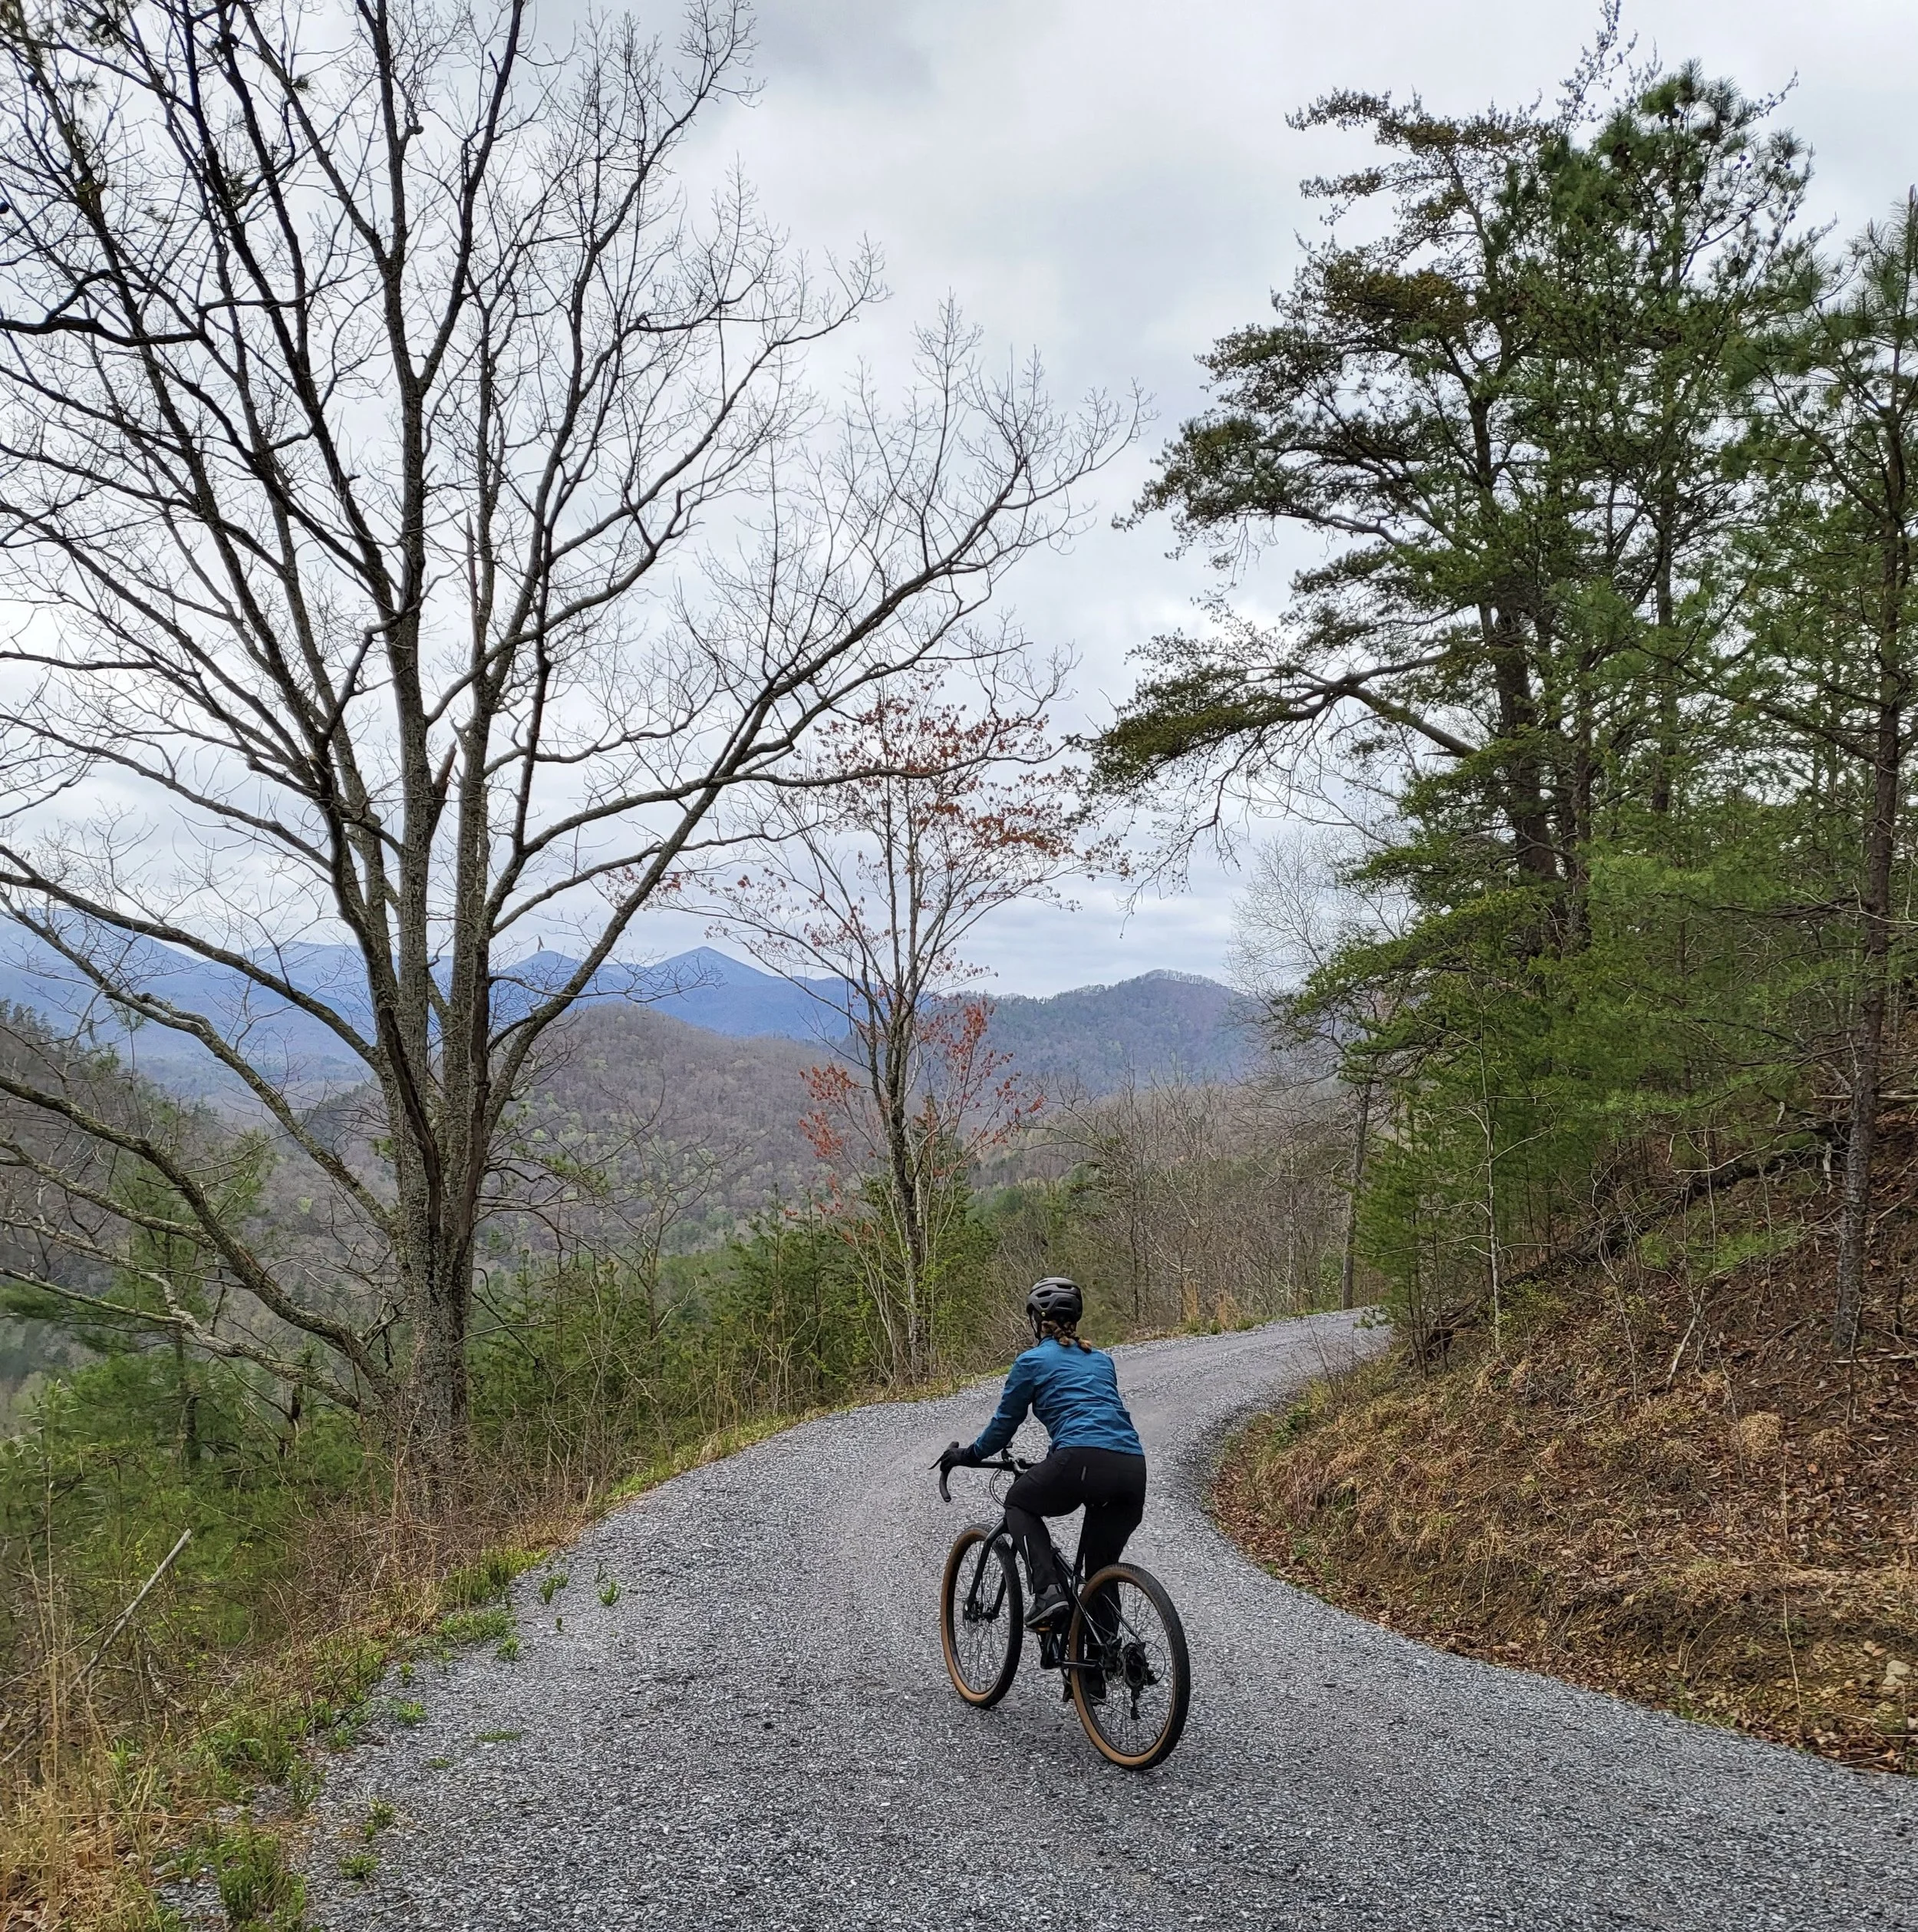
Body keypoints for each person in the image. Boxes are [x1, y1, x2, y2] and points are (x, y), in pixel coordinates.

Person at [938, 1277, 1146, 1631]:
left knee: (1018, 1501)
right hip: (1131, 1467)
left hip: (1079, 1461)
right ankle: (1095, 1671)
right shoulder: (1101, 1361)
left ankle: (1048, 1592)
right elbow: (1092, 1415)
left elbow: (1004, 1425)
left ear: (1038, 1320)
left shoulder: (1031, 1362)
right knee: (1100, 1570)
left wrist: (969, 1455)